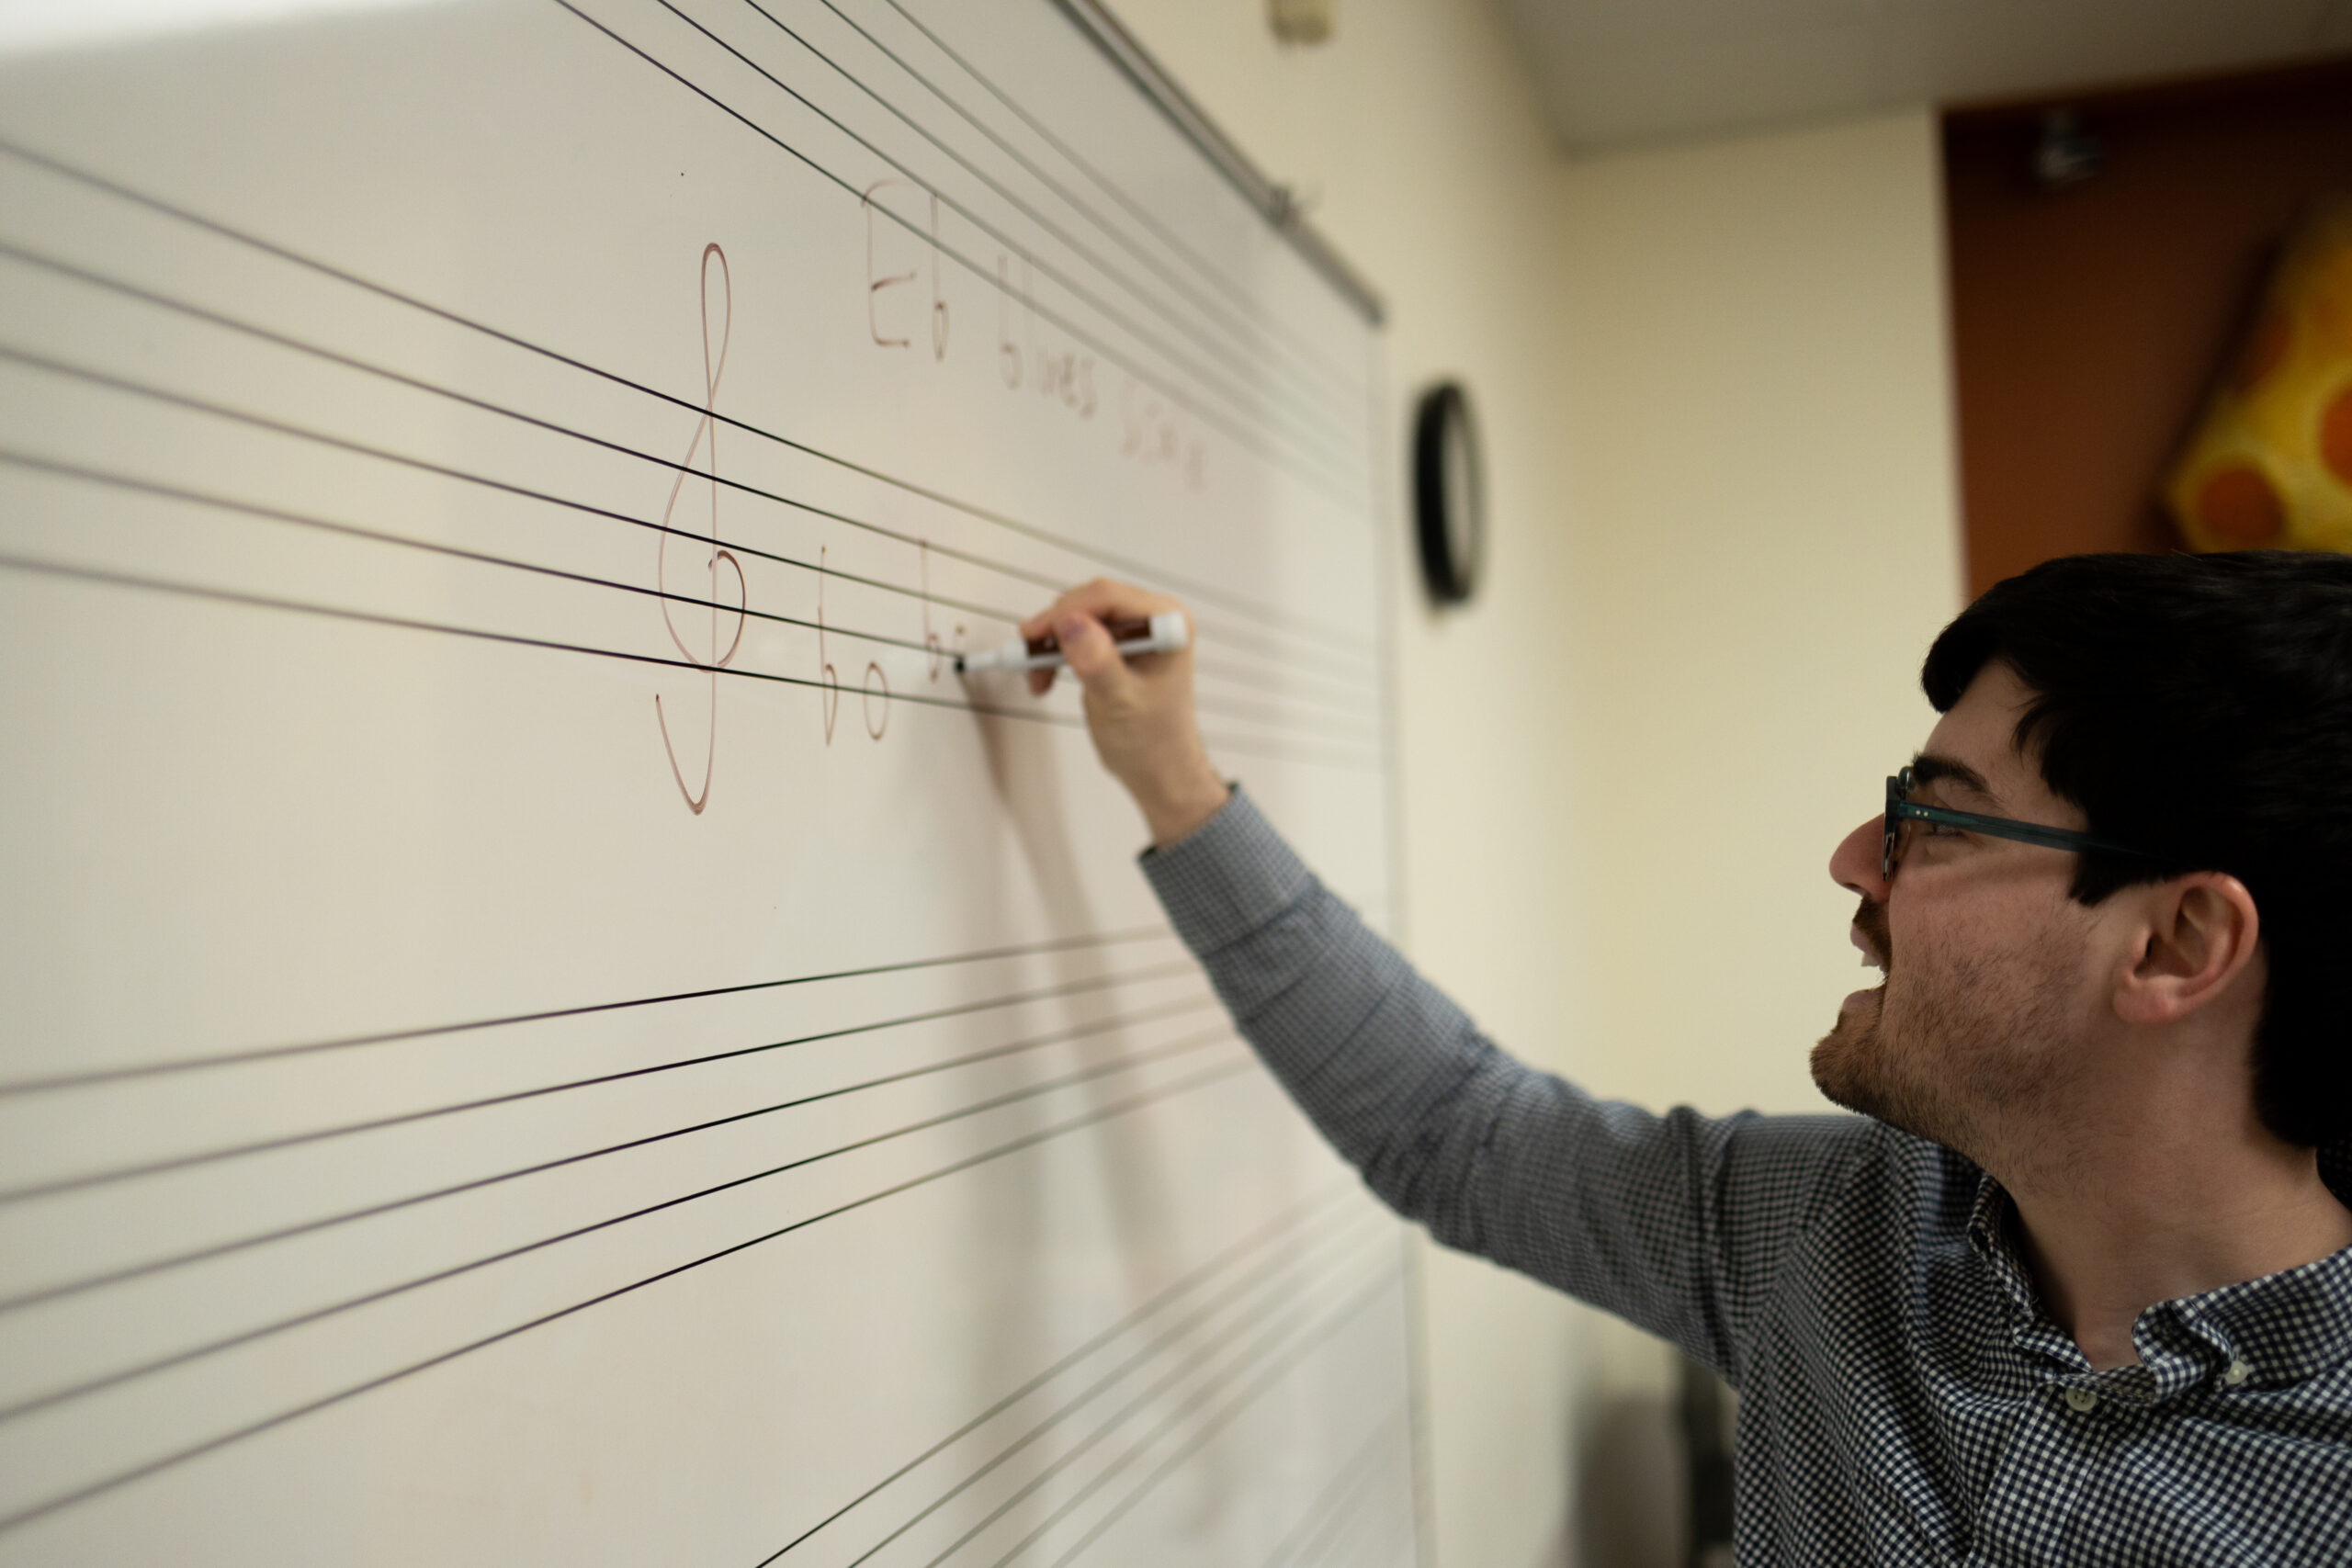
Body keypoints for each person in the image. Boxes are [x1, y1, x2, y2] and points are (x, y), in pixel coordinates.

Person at [1014, 551, 2352, 1565]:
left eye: (1937, 826)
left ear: (2178, 944)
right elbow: (1452, 1127)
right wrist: (1174, 783)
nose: (1851, 863)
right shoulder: (1838, 1232)